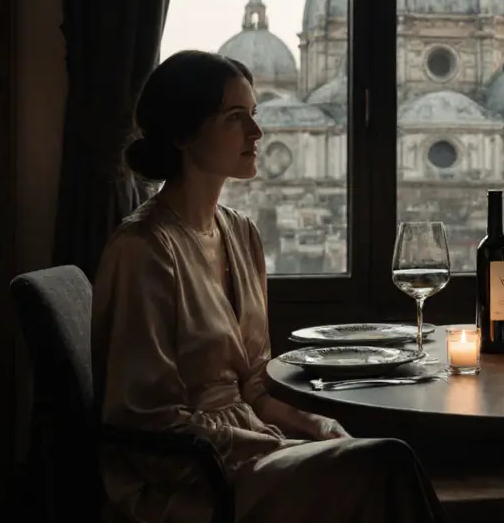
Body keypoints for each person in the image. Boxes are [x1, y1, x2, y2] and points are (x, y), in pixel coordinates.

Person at [92, 51, 446, 523]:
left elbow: (254, 386)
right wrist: (271, 445)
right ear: (182, 134)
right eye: (236, 118)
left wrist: (316, 424)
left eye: (254, 116)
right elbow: (147, 425)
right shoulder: (142, 250)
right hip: (191, 480)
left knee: (380, 461)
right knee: (386, 463)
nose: (257, 134)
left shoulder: (241, 233)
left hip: (252, 451)